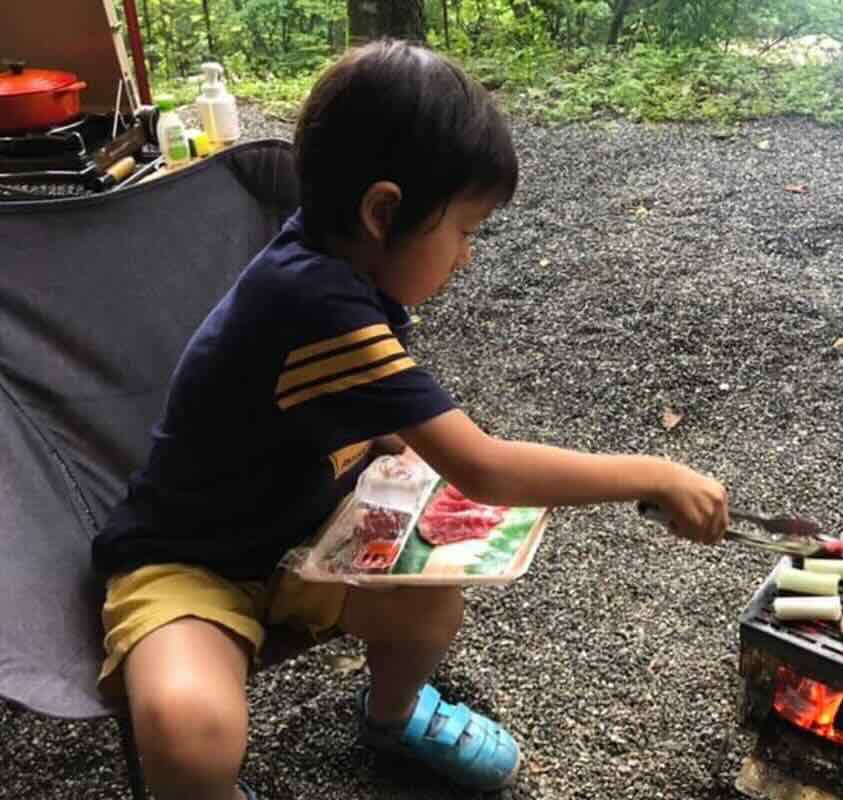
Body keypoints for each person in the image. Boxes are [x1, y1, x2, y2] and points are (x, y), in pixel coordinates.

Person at [91, 39, 730, 800]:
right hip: (190, 565)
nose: (466, 258)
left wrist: (407, 456)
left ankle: (390, 717)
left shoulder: (341, 268)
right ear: (383, 211)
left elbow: (366, 409)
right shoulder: (313, 299)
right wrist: (654, 472)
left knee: (433, 593)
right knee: (190, 729)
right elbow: (484, 466)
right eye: (465, 231)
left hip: (304, 544)